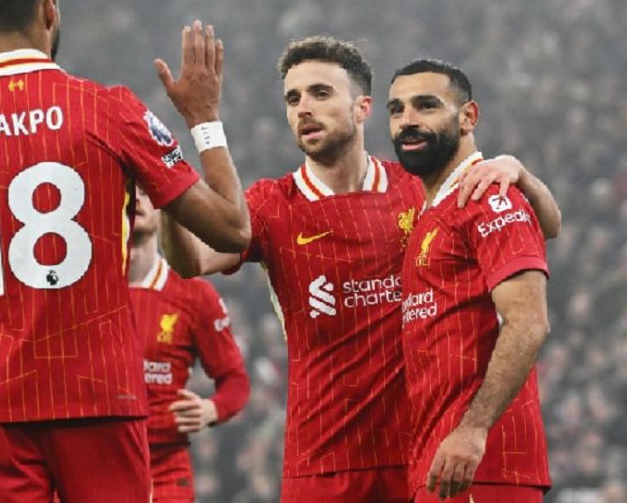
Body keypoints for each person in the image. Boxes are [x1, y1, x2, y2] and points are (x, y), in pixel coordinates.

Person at [0, 0, 249, 502]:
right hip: (102, 399)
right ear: (50, 10)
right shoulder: (112, 110)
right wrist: (204, 120)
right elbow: (232, 230)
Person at [162, 36, 560, 503]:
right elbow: (191, 260)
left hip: (423, 457)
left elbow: (541, 225)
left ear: (363, 108)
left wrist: (517, 172)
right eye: (293, 99)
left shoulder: (418, 187)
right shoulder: (272, 205)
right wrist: (171, 179)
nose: (304, 108)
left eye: (320, 93)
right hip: (324, 461)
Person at [388, 58, 551, 502]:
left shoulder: (489, 197)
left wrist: (474, 430)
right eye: (397, 109)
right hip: (438, 461)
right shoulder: (433, 209)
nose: (407, 120)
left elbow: (529, 322)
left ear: (468, 117)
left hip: (483, 463)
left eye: (426, 105)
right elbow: (550, 224)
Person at [129, 186, 250, 502]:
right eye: (127, 190)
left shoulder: (195, 295)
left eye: (146, 192)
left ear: (162, 208)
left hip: (165, 466)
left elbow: (235, 380)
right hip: (95, 460)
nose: (137, 199)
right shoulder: (85, 292)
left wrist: (212, 409)